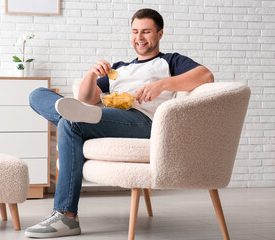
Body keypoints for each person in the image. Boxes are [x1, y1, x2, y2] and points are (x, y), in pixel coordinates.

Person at [25, 8, 214, 238]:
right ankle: (67, 114)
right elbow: (87, 98)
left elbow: (205, 76)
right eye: (135, 31)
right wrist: (91, 75)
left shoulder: (170, 61)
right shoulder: (119, 68)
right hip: (111, 116)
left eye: (146, 32)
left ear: (160, 34)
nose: (139, 37)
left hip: (143, 120)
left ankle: (66, 216)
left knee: (72, 122)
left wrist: (162, 85)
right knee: (37, 94)